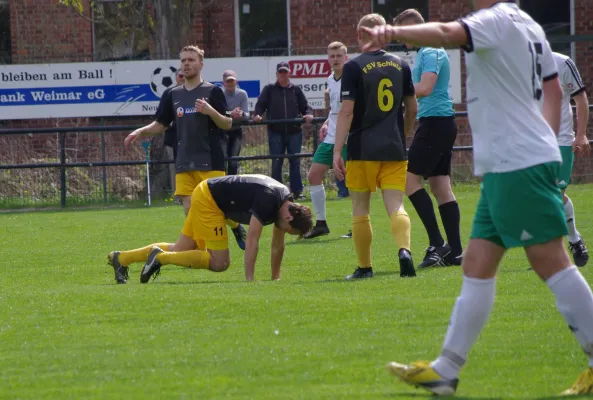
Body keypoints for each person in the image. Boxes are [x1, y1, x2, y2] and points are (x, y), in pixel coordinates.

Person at [360, 0, 593, 395]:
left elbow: (449, 33)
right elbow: (553, 90)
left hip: (515, 162)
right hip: (511, 163)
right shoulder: (529, 26)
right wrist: (547, 145)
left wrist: (394, 33)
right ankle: (445, 370)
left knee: (551, 261)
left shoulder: (494, 19)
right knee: (476, 265)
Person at [123, 46, 247, 261]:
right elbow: (160, 124)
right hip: (183, 162)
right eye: (183, 60)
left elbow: (227, 123)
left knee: (217, 207)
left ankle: (236, 226)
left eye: (191, 60)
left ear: (201, 64)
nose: (186, 64)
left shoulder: (213, 91)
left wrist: (210, 111)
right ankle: (198, 251)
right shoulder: (172, 94)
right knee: (191, 210)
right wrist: (141, 131)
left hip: (210, 161)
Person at [333, 13, 418, 280]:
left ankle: (365, 267)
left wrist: (337, 150)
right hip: (394, 148)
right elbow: (412, 107)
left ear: (360, 35)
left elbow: (346, 112)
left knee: (360, 208)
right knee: (396, 205)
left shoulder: (353, 67)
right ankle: (404, 250)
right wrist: (402, 133)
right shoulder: (401, 64)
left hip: (361, 149)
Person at [107, 174, 313, 283]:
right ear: (289, 217)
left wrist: (275, 278)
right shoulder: (270, 200)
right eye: (288, 230)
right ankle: (159, 257)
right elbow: (252, 240)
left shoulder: (286, 205)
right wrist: (249, 280)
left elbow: (278, 246)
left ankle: (121, 258)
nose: (285, 232)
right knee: (220, 262)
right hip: (209, 200)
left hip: (205, 192)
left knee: (181, 249)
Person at [393, 9, 463, 268]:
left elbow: (425, 87)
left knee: (408, 179)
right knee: (440, 188)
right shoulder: (426, 52)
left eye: (403, 32)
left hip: (435, 125)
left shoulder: (431, 51)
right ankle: (455, 253)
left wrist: (393, 92)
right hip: (440, 124)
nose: (402, 39)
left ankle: (438, 243)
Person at [304, 41, 350, 239]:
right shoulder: (331, 79)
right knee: (314, 175)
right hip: (331, 136)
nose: (335, 59)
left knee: (354, 182)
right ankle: (321, 223)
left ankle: (359, 225)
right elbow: (335, 109)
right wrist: (325, 123)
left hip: (348, 137)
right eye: (332, 56)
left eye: (339, 56)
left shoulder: (352, 78)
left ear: (345, 57)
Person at [253, 62, 314, 200]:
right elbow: (260, 105)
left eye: (285, 72)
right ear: (276, 74)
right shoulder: (269, 89)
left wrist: (308, 114)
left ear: (289, 73)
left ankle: (297, 192)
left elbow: (306, 107)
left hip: (294, 131)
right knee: (276, 162)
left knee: (295, 162)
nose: (283, 74)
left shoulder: (296, 90)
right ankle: (277, 193)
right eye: (280, 72)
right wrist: (257, 115)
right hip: (275, 131)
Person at [552, 51, 589, 267]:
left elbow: (580, 98)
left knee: (554, 195)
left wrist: (581, 134)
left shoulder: (562, 63)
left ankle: (573, 238)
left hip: (561, 140)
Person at [221, 70, 250, 175]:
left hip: (236, 130)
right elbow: (217, 112)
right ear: (223, 82)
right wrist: (230, 113)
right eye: (228, 81)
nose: (230, 84)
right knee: (222, 162)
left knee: (233, 162)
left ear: (236, 81)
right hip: (222, 131)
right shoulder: (219, 94)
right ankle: (221, 187)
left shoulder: (242, 94)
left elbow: (247, 115)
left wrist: (241, 114)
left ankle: (232, 187)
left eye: (232, 81)